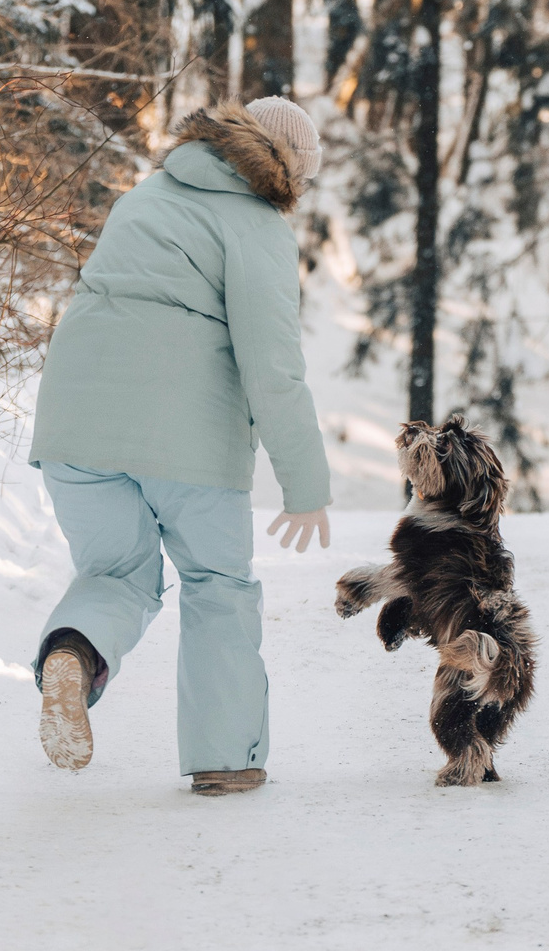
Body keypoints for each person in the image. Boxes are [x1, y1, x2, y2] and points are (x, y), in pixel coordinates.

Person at [28, 97, 334, 795]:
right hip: (186, 429)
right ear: (289, 170)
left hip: (74, 418)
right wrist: (306, 486)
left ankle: (74, 653)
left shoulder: (147, 195)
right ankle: (226, 758)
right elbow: (272, 368)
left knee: (116, 574)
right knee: (218, 585)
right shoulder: (255, 226)